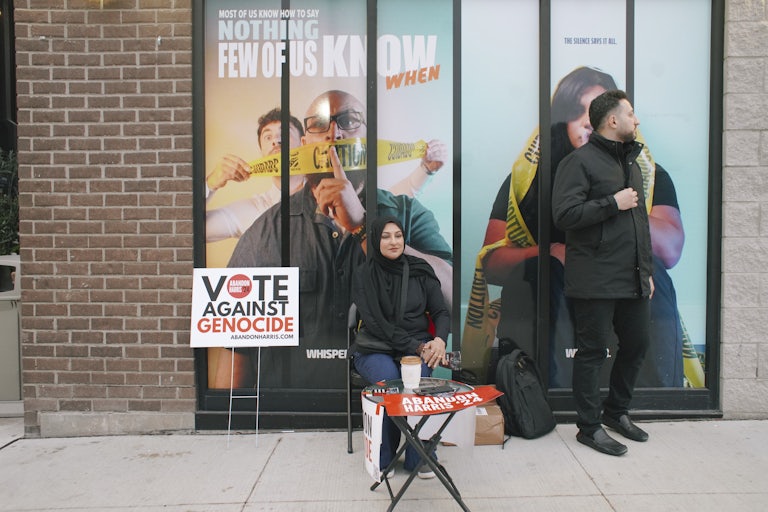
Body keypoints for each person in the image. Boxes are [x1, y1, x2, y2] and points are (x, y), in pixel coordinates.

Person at [218, 89, 452, 390]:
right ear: (304, 143)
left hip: (394, 407)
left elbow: (451, 293)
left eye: (349, 120)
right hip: (301, 414)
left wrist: (363, 227)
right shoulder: (266, 231)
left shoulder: (407, 214)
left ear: (368, 139)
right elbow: (235, 344)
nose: (334, 133)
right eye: (319, 124)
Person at [476, 67, 684, 388]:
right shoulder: (528, 181)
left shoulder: (647, 173)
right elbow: (493, 263)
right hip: (559, 298)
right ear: (560, 122)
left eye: (599, 110)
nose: (588, 120)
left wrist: (615, 192)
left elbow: (670, 251)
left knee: (655, 275)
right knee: (533, 274)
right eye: (577, 111)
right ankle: (539, 397)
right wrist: (552, 251)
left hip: (619, 287)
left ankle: (644, 401)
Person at [552, 89, 653, 456]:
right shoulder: (579, 163)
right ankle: (589, 427)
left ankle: (617, 412)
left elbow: (640, 221)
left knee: (638, 343)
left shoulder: (632, 163)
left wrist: (648, 271)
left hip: (632, 276)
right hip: (594, 278)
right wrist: (612, 202)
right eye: (631, 113)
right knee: (593, 352)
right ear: (613, 120)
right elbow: (564, 215)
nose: (636, 120)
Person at [205, 109, 448, 243]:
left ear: (304, 143)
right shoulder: (254, 209)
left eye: (283, 134)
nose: (276, 140)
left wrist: (425, 170)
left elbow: (391, 198)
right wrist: (211, 184)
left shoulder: (340, 187)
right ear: (261, 150)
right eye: (267, 137)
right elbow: (193, 232)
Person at [351, 216, 450, 478]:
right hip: (376, 346)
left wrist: (439, 340)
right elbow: (378, 325)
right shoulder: (364, 274)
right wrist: (419, 347)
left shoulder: (420, 269)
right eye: (385, 236)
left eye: (397, 235)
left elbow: (441, 311)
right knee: (390, 383)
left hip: (416, 346)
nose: (393, 242)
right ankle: (384, 456)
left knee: (419, 382)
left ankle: (420, 456)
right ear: (375, 240)